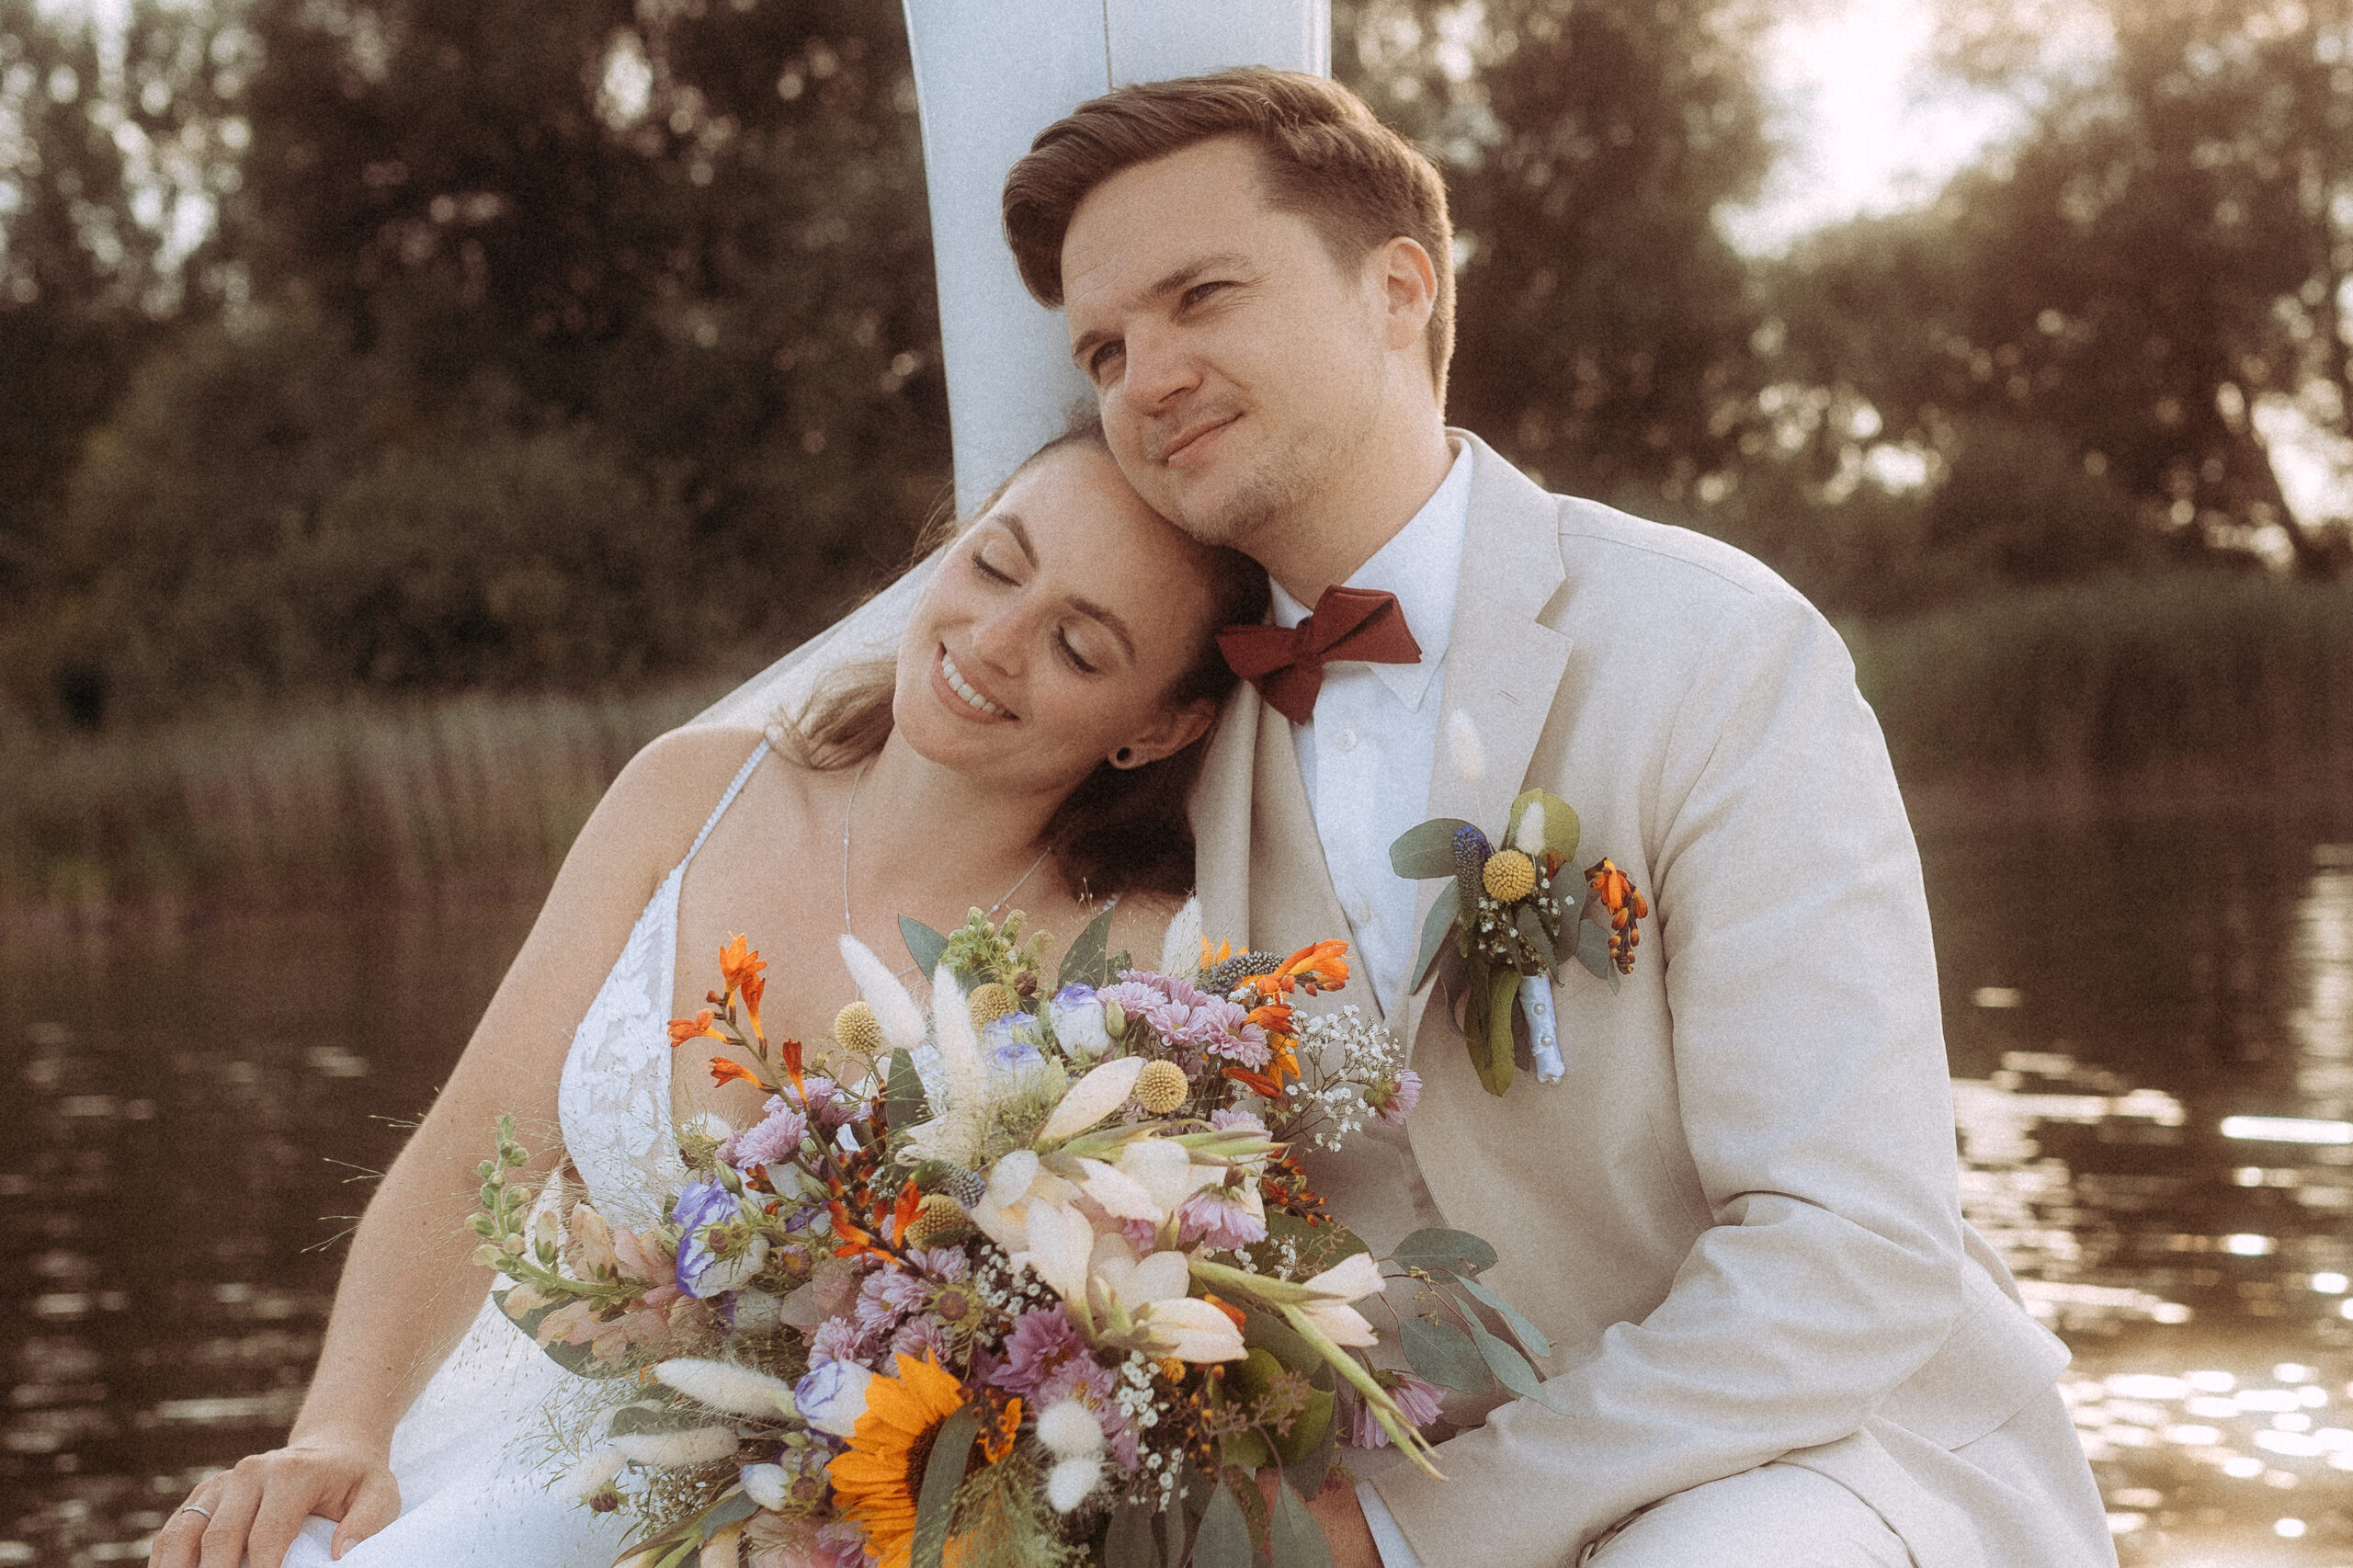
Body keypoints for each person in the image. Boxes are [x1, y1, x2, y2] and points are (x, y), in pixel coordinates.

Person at [736, 69, 2116, 1568]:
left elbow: (1854, 1247)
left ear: (1400, 289)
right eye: (1107, 348)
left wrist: (1405, 1531)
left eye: (1204, 296)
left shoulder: (1716, 648)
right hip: (1360, 1478)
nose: (1148, 375)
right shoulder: (1155, 747)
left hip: (1815, 1460)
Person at [150, 424, 1270, 1568]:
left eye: (1077, 647)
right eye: (994, 563)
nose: (989, 641)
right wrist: (342, 1427)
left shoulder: (1132, 970)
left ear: (1159, 725)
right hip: (528, 1457)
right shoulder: (687, 793)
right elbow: (471, 1153)